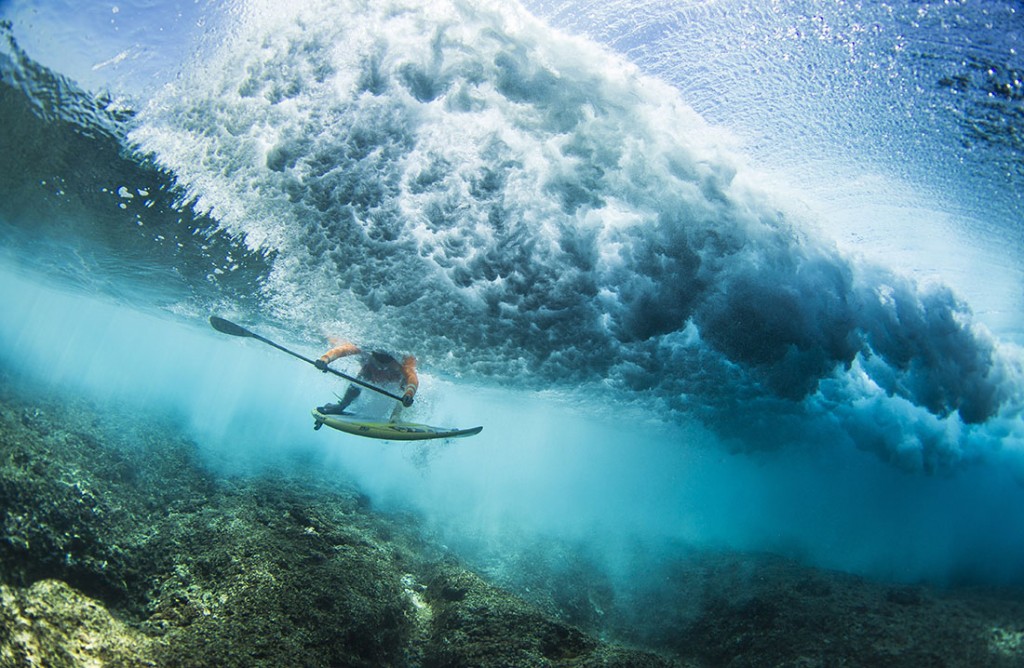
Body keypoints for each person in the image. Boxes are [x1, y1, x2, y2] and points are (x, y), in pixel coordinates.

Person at [314, 339, 418, 415]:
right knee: (363, 374)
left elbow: (412, 378)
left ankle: (396, 417)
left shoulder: (405, 361)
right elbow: (342, 350)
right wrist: (324, 360)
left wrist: (409, 394)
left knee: (404, 385)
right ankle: (342, 405)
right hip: (369, 373)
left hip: (395, 380)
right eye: (378, 364)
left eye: (385, 366)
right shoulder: (365, 349)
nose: (381, 369)